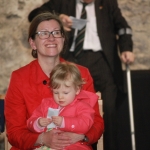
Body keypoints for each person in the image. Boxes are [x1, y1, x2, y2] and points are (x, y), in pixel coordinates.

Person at [28, 0, 135, 150]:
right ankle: (67, 144)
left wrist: (126, 48)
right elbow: (35, 15)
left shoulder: (108, 3)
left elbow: (124, 28)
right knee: (65, 104)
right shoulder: (63, 3)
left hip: (101, 61)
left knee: (109, 109)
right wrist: (58, 18)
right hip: (71, 61)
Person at [4, 12, 104, 150]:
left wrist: (82, 137)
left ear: (63, 39)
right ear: (32, 43)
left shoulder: (82, 73)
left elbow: (96, 122)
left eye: (56, 32)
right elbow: (15, 132)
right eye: (43, 33)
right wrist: (42, 139)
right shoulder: (19, 78)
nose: (51, 38)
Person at [27, 62, 99, 150]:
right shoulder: (46, 104)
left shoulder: (83, 106)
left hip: (75, 146)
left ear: (77, 90)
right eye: (56, 92)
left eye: (65, 93)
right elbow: (30, 122)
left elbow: (85, 124)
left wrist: (64, 122)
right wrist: (38, 123)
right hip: (48, 146)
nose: (60, 96)